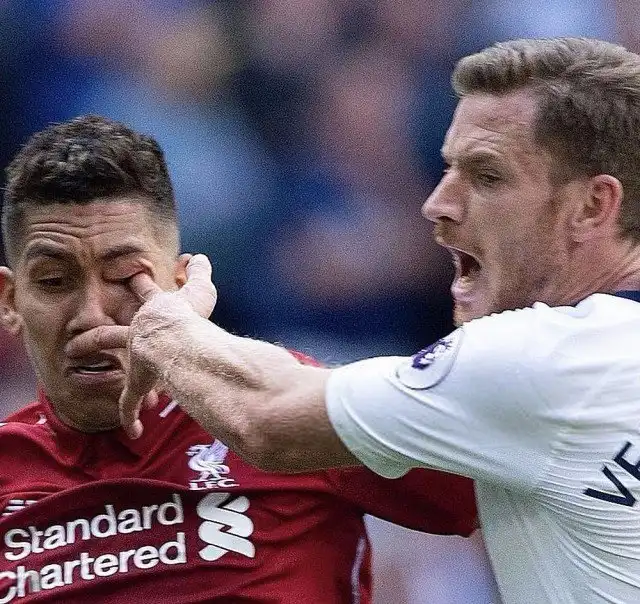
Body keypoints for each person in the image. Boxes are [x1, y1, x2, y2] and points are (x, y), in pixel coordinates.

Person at [81, 37, 640, 603]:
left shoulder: (546, 356)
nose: (438, 203)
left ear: (593, 206)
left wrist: (168, 328)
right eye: (448, 168)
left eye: (488, 176)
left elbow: (264, 417)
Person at [0, 115, 478, 603]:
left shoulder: (284, 408)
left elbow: (483, 487)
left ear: (180, 285)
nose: (91, 315)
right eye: (54, 282)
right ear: (10, 301)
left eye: (125, 277)